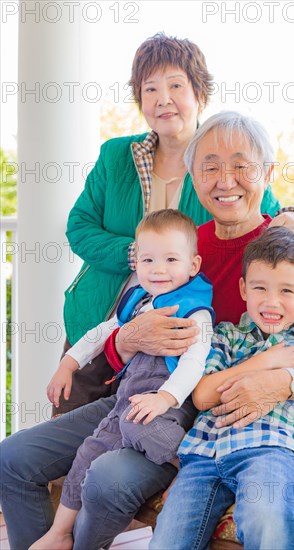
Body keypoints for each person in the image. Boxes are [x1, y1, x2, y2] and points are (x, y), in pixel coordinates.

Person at [0, 111, 294, 550]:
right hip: (135, 397)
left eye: (241, 166)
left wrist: (282, 382)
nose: (226, 180)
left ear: (267, 173)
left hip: (192, 421)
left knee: (107, 477)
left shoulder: (289, 254)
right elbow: (119, 340)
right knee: (12, 458)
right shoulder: (182, 248)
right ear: (192, 175)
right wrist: (127, 340)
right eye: (209, 167)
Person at [60, 32, 294, 413]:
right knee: (68, 430)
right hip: (104, 316)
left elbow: (267, 216)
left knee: (134, 428)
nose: (163, 99)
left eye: (176, 85)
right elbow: (79, 226)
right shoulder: (115, 156)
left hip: (177, 331)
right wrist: (140, 256)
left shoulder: (214, 161)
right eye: (150, 88)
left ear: (198, 92)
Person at [149, 226, 294, 550]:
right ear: (244, 289)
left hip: (272, 451)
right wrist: (268, 360)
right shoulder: (225, 337)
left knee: (267, 518)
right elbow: (203, 395)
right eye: (261, 288)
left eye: (287, 291)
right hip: (205, 456)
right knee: (169, 539)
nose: (272, 302)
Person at [29, 209, 214, 550]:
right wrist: (68, 364)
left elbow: (194, 362)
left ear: (193, 265)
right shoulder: (137, 301)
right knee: (88, 453)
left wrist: (165, 398)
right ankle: (59, 532)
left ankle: (186, 461)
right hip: (127, 402)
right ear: (136, 264)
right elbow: (102, 332)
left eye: (171, 259)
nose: (158, 269)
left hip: (167, 407)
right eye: (148, 260)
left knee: (138, 426)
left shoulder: (194, 310)